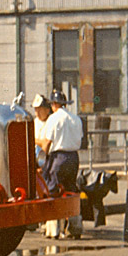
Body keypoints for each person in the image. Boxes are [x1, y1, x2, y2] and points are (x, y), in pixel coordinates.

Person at [41, 89, 83, 239]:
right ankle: (75, 227)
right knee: (71, 189)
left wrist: (40, 158)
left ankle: (53, 229)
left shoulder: (54, 119)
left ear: (54, 104)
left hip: (59, 156)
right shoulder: (76, 119)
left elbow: (47, 142)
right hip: (73, 157)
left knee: (53, 190)